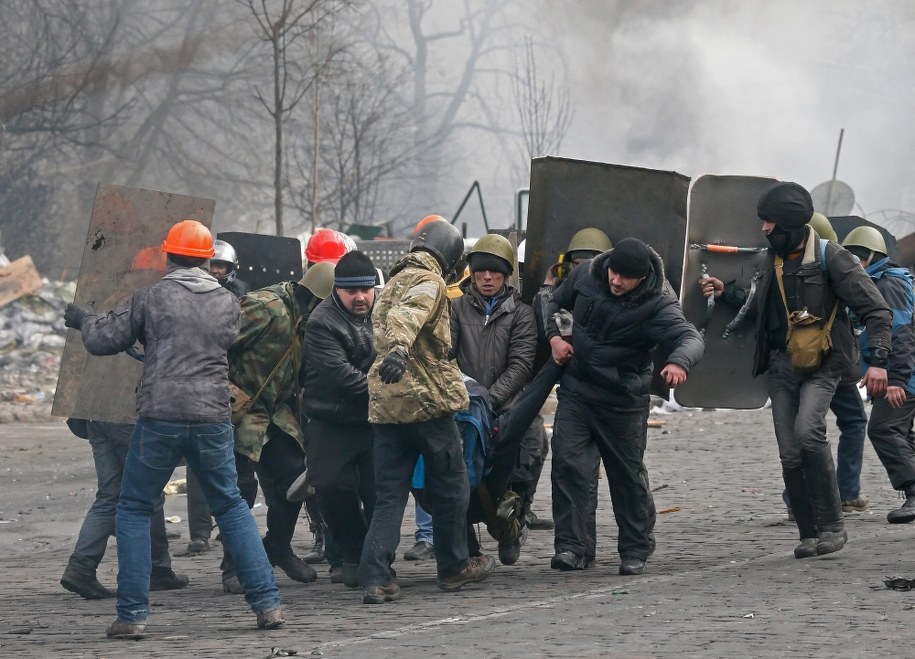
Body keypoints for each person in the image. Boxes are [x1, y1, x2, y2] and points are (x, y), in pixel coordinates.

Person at [65, 219, 283, 638]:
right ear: (207, 259)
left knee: (133, 508)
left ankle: (132, 615)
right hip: (212, 417)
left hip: (160, 416)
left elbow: (102, 340)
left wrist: (84, 319)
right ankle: (268, 604)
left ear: (168, 255)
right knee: (232, 506)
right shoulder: (228, 303)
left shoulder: (150, 298)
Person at [700, 181, 891, 559]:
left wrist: (880, 362)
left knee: (808, 431)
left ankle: (832, 526)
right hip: (781, 365)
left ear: (788, 223)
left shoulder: (832, 258)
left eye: (769, 221)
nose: (763, 228)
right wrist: (726, 292)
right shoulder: (770, 260)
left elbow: (877, 310)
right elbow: (761, 309)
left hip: (824, 364)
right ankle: (808, 533)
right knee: (789, 452)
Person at [358, 218, 496, 604]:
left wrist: (393, 351)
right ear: (451, 256)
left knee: (389, 496)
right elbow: (409, 315)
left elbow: (389, 320)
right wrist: (399, 350)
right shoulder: (429, 280)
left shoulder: (390, 283)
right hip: (427, 406)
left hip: (387, 409)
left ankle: (376, 577)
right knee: (451, 488)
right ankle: (453, 568)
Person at [546, 237, 703, 575]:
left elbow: (690, 337)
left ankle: (635, 547)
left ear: (642, 278)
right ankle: (573, 547)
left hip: (623, 400)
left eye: (625, 278)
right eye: (613, 273)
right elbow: (555, 302)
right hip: (577, 389)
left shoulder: (659, 302)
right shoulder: (587, 274)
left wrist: (679, 362)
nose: (616, 281)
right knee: (568, 465)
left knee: (626, 476)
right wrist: (555, 337)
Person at [223, 261, 336, 591]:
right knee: (239, 489)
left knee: (296, 479)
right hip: (236, 410)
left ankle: (278, 547)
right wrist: (224, 389)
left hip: (274, 413)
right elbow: (213, 345)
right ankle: (234, 566)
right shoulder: (265, 307)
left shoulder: (309, 322)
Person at [450, 233, 536, 564]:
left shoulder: (522, 314)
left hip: (507, 408)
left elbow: (521, 364)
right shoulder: (455, 309)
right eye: (481, 271)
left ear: (506, 275)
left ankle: (511, 528)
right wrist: (469, 395)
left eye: (495, 272)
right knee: (458, 476)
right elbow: (446, 355)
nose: (487, 278)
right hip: (463, 406)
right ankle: (465, 541)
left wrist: (490, 399)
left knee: (522, 466)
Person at [782, 213, 869, 519]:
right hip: (832, 361)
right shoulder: (833, 263)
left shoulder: (784, 265)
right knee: (844, 424)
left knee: (802, 429)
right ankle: (845, 494)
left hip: (802, 359)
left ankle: (797, 500)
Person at [302, 250, 378, 588]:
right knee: (332, 488)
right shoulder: (322, 322)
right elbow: (343, 376)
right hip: (330, 419)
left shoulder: (385, 312)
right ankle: (351, 551)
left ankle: (375, 559)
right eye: (352, 291)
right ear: (337, 289)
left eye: (366, 290)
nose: (360, 297)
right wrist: (393, 390)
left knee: (380, 493)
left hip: (375, 420)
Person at [60, 420, 188, 599]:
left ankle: (81, 566)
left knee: (109, 495)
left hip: (95, 416)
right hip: (129, 418)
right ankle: (158, 570)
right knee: (147, 493)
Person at [842, 226, 915, 523]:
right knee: (902, 434)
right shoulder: (875, 281)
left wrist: (896, 380)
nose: (853, 263)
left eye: (856, 257)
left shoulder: (889, 284)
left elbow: (901, 333)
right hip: (902, 373)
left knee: (884, 430)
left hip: (904, 376)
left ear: (871, 256)